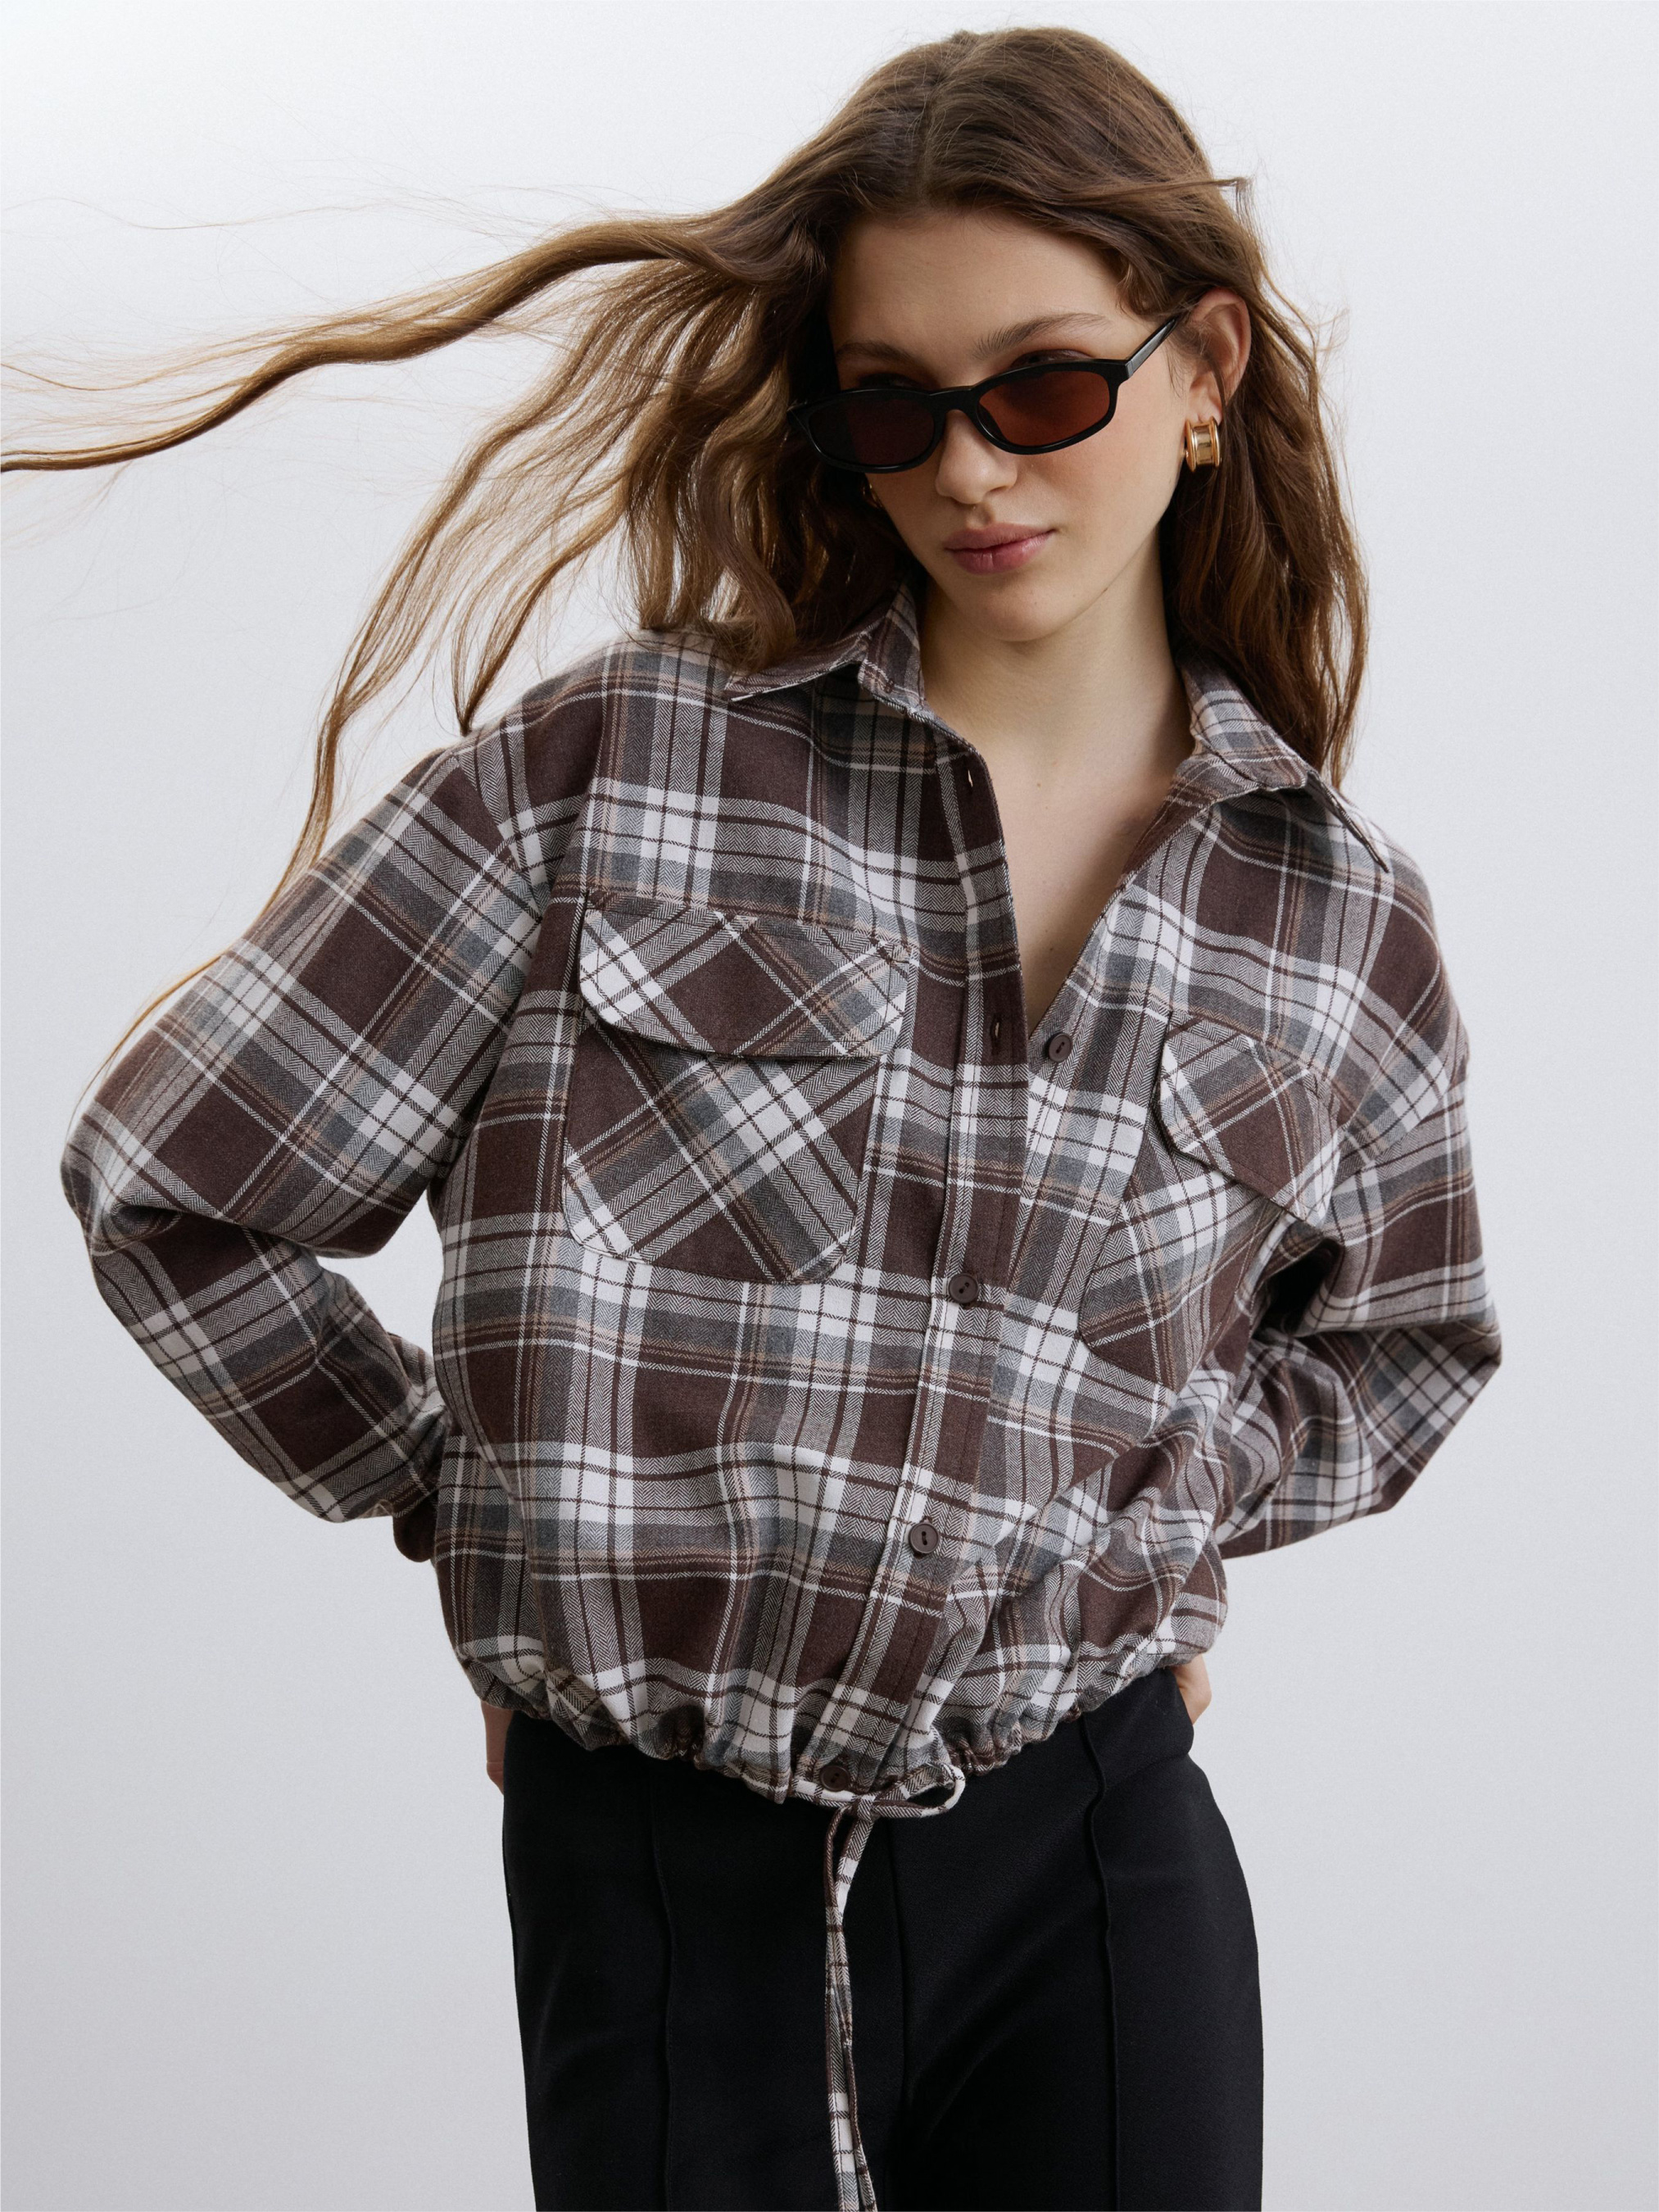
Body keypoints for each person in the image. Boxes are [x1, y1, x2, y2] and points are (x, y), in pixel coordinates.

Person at [19, 25, 1502, 2212]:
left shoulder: (1331, 913)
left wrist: (1160, 1528)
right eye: (893, 404)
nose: (969, 470)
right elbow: (176, 1183)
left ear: (1202, 368)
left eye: (1042, 387)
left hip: (1093, 1849)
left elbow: (1404, 1346)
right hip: (661, 1866)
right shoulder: (613, 773)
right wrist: (465, 1497)